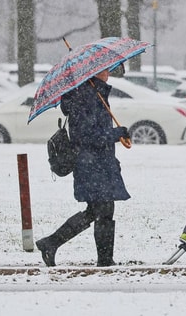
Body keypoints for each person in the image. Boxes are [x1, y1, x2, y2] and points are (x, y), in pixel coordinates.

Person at [35, 67, 131, 267]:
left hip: (99, 164)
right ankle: (53, 243)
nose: (108, 73)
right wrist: (115, 134)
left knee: (102, 210)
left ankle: (101, 258)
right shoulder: (84, 98)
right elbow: (86, 136)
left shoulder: (95, 94)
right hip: (91, 165)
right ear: (93, 73)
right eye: (104, 70)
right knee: (100, 209)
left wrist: (115, 134)